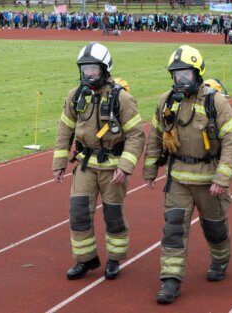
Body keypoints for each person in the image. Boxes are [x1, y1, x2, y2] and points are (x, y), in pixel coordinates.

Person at [142, 45, 232, 304]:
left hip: (209, 179)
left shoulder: (216, 102)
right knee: (173, 229)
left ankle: (220, 261)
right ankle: (170, 280)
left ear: (197, 74)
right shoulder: (166, 102)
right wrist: (151, 168)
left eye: (186, 74)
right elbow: (154, 136)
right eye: (177, 74)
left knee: (215, 227)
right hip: (178, 179)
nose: (181, 79)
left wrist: (222, 178)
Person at [52, 42, 145, 280]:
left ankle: (114, 260)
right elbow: (65, 130)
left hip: (113, 168)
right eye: (84, 69)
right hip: (84, 165)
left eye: (93, 69)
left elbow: (136, 135)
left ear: (105, 69)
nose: (88, 74)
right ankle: (85, 260)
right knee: (79, 213)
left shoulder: (122, 99)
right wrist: (60, 162)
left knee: (113, 216)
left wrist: (125, 167)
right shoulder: (75, 96)